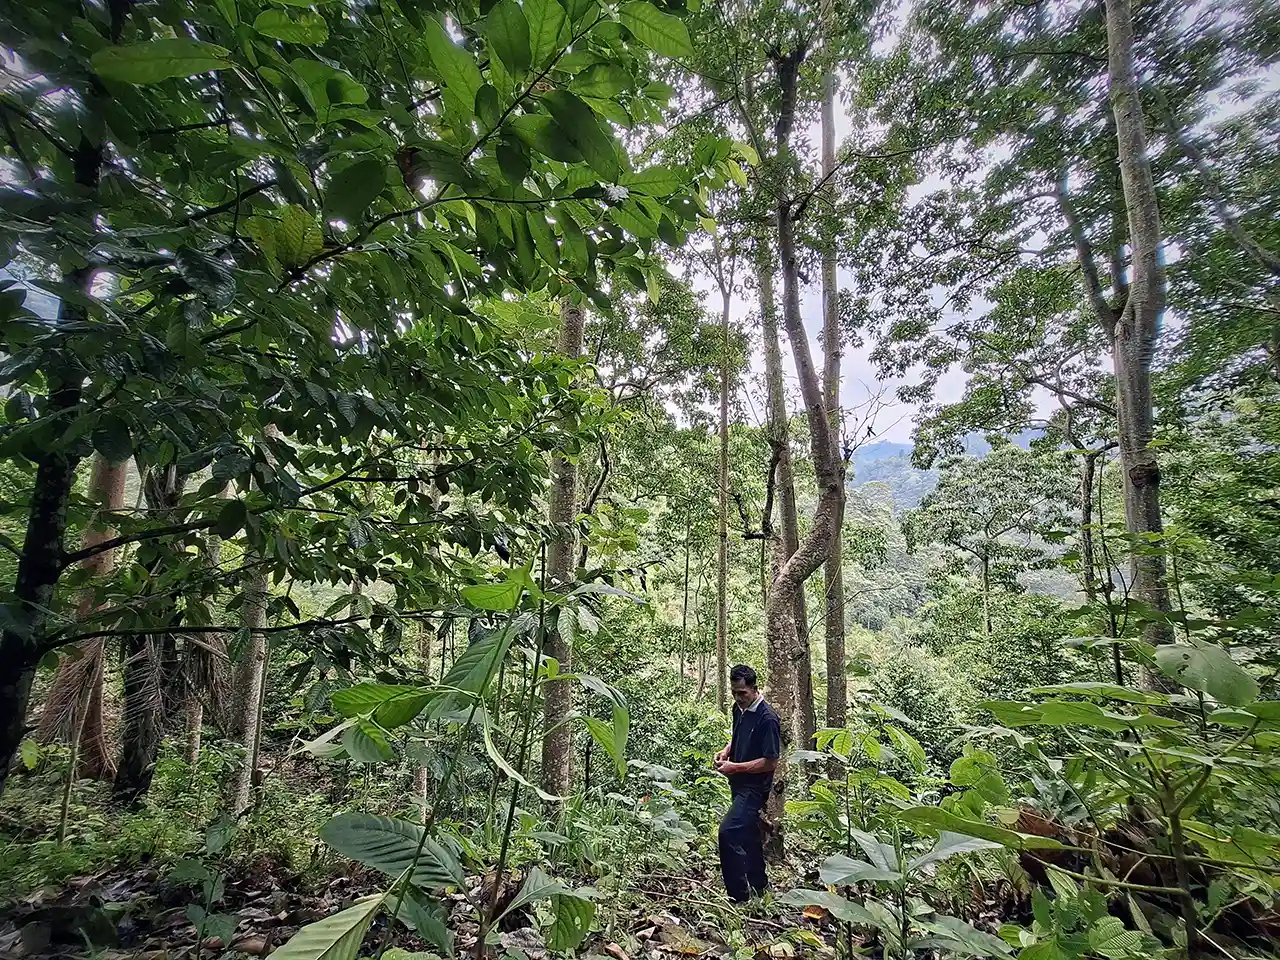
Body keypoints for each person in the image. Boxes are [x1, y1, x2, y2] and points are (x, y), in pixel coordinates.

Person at [714, 664, 781, 902]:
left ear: (754, 689)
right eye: (734, 692)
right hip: (738, 782)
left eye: (742, 693)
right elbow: (737, 735)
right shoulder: (738, 709)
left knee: (728, 832)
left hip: (754, 788)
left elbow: (770, 761)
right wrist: (726, 751)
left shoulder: (767, 718)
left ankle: (738, 896)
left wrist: (736, 767)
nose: (738, 698)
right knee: (749, 834)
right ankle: (759, 886)